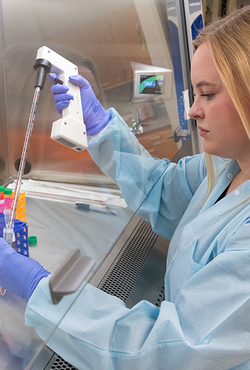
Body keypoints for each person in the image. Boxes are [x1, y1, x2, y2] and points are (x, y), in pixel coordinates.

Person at [1, 6, 250, 370]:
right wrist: (100, 126)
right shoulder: (227, 166)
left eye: (207, 94)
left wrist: (37, 285)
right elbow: (164, 191)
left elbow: (158, 351)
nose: (193, 111)